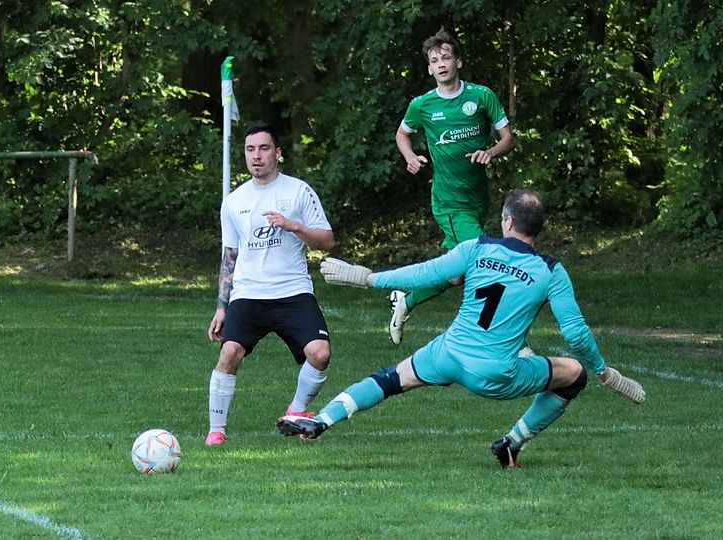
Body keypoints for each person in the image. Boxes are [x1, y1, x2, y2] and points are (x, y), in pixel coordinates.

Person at [277, 189, 645, 468]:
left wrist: (370, 278)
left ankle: (322, 421)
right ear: (538, 227)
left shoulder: (477, 248)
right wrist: (603, 371)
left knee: (389, 379)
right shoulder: (551, 271)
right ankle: (512, 443)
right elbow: (576, 334)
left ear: (507, 221)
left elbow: (427, 272)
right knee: (575, 375)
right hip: (494, 372)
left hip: (448, 352)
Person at [205, 123, 335, 446]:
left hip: (293, 291)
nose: (256, 156)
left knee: (320, 353)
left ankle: (297, 411)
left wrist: (293, 226)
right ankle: (216, 431)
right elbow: (230, 257)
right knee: (229, 353)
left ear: (277, 153)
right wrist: (221, 306)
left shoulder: (298, 191)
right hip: (249, 294)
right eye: (250, 149)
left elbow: (327, 240)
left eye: (264, 148)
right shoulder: (234, 201)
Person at [390, 29, 517, 345]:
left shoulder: (482, 96)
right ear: (429, 69)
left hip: (478, 197)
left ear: (458, 62)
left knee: (455, 274)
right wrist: (410, 157)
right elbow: (402, 134)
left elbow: (508, 138)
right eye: (435, 60)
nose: (441, 64)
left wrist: (490, 152)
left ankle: (406, 300)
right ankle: (506, 338)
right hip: (449, 201)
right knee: (483, 259)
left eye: (446, 57)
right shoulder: (422, 105)